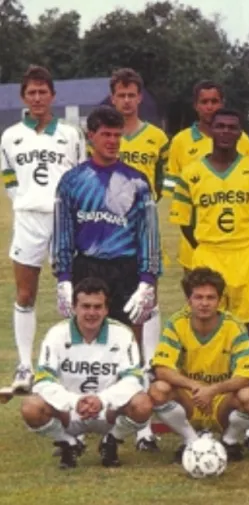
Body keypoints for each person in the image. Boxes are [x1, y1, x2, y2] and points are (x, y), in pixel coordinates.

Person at [169, 107, 249, 450]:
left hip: (245, 255)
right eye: (220, 126)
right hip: (208, 254)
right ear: (210, 130)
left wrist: (243, 245)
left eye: (232, 127)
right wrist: (210, 245)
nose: (226, 132)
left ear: (240, 132)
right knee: (206, 334)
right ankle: (204, 415)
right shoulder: (190, 172)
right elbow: (186, 223)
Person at [2, 65, 85, 392]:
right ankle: (25, 366)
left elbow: (81, 176)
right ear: (24, 97)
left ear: (52, 95)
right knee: (25, 294)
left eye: (42, 92)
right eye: (31, 92)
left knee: (72, 294)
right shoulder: (10, 136)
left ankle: (75, 365)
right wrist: (25, 201)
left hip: (63, 220)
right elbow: (9, 178)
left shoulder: (70, 134)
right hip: (28, 220)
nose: (37, 98)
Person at [20, 278, 152, 469]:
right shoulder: (56, 334)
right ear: (74, 307)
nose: (91, 313)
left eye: (98, 307)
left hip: (108, 410)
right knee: (30, 407)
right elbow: (43, 381)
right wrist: (74, 401)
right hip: (69, 411)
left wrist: (102, 400)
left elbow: (133, 379)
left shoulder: (122, 334)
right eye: (85, 306)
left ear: (106, 309)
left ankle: (111, 441)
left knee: (143, 404)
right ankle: (68, 442)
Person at [53, 106, 160, 340]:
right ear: (91, 135)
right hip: (87, 267)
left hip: (126, 268)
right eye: (106, 134)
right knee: (86, 338)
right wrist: (63, 278)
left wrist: (147, 280)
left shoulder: (137, 182)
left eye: (117, 135)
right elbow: (63, 233)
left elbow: (149, 235)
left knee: (130, 339)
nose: (112, 141)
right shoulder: (72, 181)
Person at [106, 66, 169, 451]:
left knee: (146, 304)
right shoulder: (104, 136)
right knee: (116, 311)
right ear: (112, 97)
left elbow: (159, 185)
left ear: (140, 97)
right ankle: (120, 388)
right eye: (121, 95)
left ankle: (148, 374)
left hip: (143, 231)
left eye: (132, 95)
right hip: (109, 234)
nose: (127, 101)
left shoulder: (157, 138)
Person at [148, 268, 249, 463]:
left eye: (210, 297)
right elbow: (161, 369)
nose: (204, 303)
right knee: (158, 390)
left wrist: (213, 390)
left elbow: (247, 375)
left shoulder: (234, 326)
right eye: (198, 297)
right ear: (189, 300)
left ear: (220, 301)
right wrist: (196, 386)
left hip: (221, 401)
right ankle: (191, 440)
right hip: (190, 398)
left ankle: (229, 441)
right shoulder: (176, 324)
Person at [163, 80, 249, 273]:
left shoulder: (243, 140)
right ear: (195, 105)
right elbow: (174, 190)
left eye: (214, 101)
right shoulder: (181, 141)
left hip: (235, 244)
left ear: (222, 103)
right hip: (195, 242)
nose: (209, 107)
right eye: (204, 102)